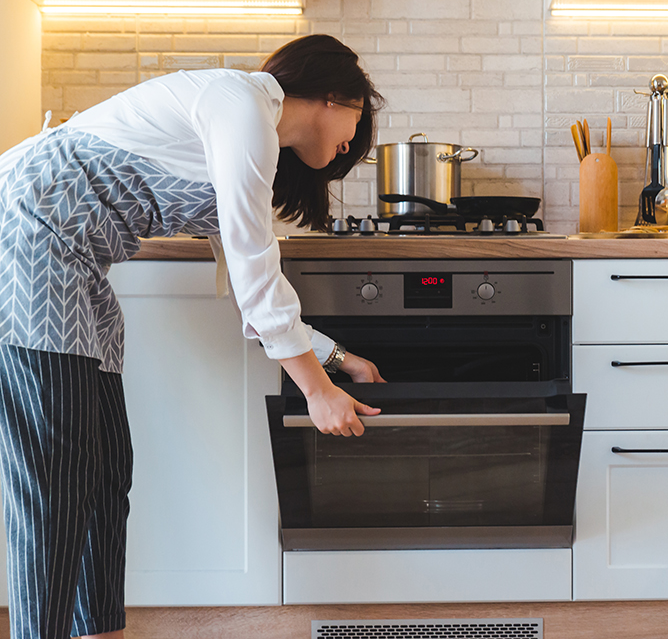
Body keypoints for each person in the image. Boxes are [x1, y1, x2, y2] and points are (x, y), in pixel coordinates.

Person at [0, 34, 385, 639]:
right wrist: (316, 392)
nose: (354, 142)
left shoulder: (248, 127)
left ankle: (100, 633)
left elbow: (247, 285)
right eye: (360, 117)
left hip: (75, 263)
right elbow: (259, 278)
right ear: (335, 98)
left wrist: (333, 358)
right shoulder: (239, 106)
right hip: (30, 244)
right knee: (55, 481)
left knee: (104, 476)